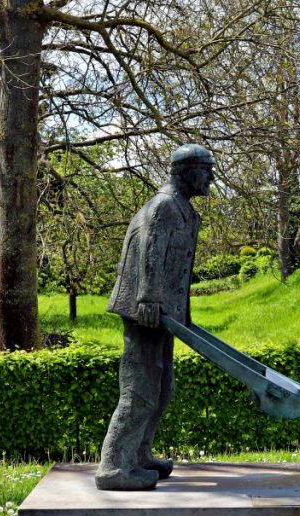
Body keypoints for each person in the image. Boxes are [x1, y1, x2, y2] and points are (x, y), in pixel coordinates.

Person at [95, 144, 214, 490]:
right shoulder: (163, 206)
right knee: (140, 388)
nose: (211, 177)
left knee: (162, 388)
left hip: (164, 313)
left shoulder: (184, 211)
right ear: (185, 171)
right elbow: (150, 249)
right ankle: (114, 465)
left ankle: (138, 455)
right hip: (145, 311)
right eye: (206, 169)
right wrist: (148, 298)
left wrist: (181, 313)